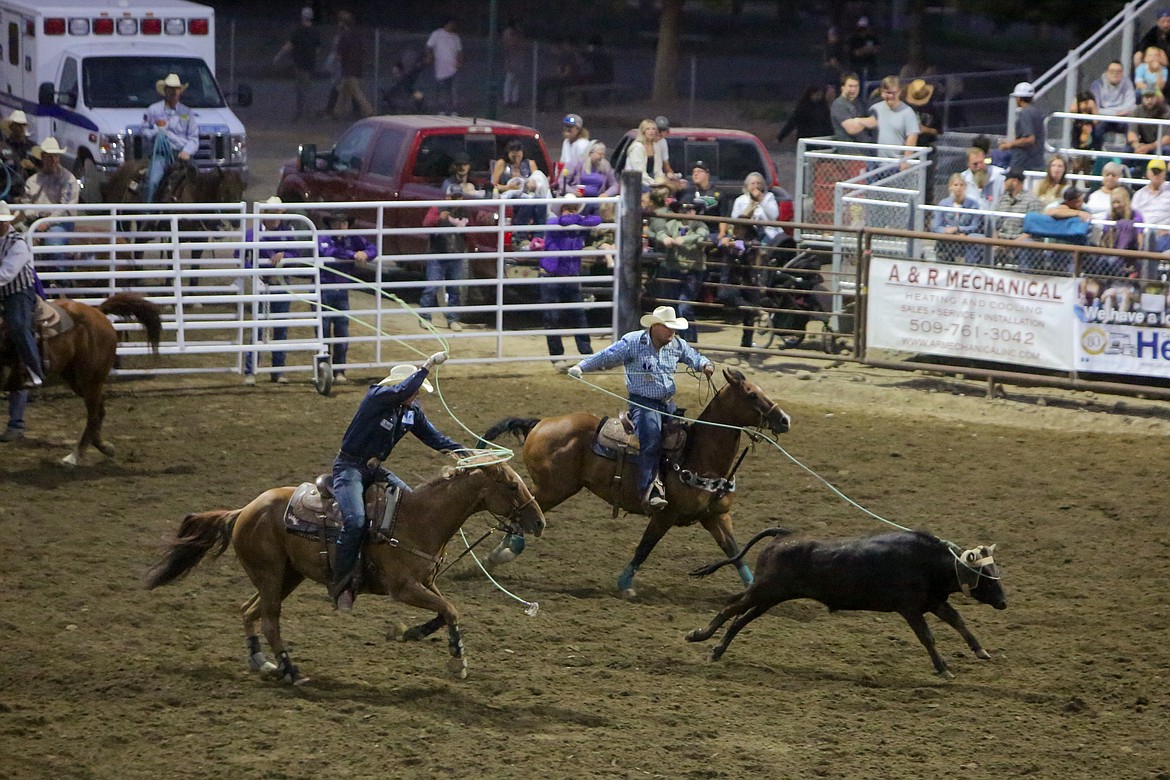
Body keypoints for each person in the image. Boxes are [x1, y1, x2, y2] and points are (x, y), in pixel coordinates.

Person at [328, 352, 465, 612]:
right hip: (349, 468)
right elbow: (405, 388)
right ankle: (341, 582)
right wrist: (427, 366)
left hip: (374, 470)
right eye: (415, 390)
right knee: (355, 520)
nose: (417, 396)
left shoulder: (410, 411)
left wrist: (466, 453)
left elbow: (434, 438)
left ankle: (394, 563)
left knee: (411, 504)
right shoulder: (377, 397)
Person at [567, 305, 714, 511]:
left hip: (666, 404)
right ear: (655, 326)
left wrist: (705, 365)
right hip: (642, 404)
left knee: (685, 438)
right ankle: (649, 490)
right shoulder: (633, 342)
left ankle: (678, 482)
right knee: (651, 438)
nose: (673, 332)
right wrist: (581, 366)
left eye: (674, 328)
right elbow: (607, 356)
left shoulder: (676, 344)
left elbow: (694, 356)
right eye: (668, 327)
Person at [243, 196, 299, 385]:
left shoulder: (287, 232)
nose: (275, 217)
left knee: (280, 328)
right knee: (258, 328)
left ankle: (277, 370)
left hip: (280, 283)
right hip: (262, 283)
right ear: (265, 214)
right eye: (272, 213)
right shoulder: (253, 233)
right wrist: (254, 270)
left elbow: (298, 253)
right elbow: (242, 256)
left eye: (278, 213)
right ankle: (251, 370)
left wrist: (285, 255)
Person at [539, 194, 599, 367]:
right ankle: (557, 357)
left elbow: (596, 219)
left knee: (578, 316)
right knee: (552, 317)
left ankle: (587, 355)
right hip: (551, 276)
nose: (572, 213)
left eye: (574, 208)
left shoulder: (576, 226)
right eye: (568, 208)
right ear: (561, 210)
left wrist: (577, 219)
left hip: (569, 277)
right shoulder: (553, 223)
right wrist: (578, 218)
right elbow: (565, 221)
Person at [318, 210, 376, 382]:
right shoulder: (324, 238)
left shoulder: (352, 239)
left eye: (344, 223)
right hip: (324, 289)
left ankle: (339, 370)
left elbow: (372, 248)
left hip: (340, 290)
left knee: (341, 331)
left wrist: (366, 254)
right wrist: (354, 255)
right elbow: (329, 252)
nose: (341, 226)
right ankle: (326, 370)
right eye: (337, 223)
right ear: (331, 224)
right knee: (324, 332)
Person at [0, 201, 43, 422]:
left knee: (18, 325)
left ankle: (34, 370)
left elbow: (6, 274)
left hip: (19, 292)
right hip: (4, 291)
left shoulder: (17, 244)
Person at [649, 198, 709, 342]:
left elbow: (703, 235)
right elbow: (653, 232)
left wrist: (686, 240)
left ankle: (690, 341)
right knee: (673, 306)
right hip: (674, 269)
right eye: (683, 209)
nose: (687, 212)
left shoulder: (700, 224)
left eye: (690, 209)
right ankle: (678, 340)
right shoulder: (672, 224)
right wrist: (663, 237)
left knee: (684, 305)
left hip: (693, 270)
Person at [18, 137, 79, 276]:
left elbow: (65, 207)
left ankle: (61, 280)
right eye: (49, 156)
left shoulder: (68, 179)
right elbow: (26, 204)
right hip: (35, 221)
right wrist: (35, 222)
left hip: (60, 222)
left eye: (56, 156)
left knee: (54, 243)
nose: (53, 160)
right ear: (42, 158)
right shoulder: (33, 180)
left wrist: (46, 223)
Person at [140, 73, 199, 203]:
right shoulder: (153, 110)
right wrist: (157, 131)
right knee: (153, 182)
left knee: (199, 181)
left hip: (181, 155)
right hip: (161, 156)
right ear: (165, 90)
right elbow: (144, 131)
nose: (173, 91)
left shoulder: (187, 112)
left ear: (180, 91)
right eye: (170, 88)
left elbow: (194, 138)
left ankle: (211, 216)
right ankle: (146, 214)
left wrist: (186, 151)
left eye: (176, 88)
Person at [420, 184, 467, 332]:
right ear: (447, 197)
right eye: (454, 197)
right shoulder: (437, 208)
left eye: (459, 196)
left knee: (455, 289)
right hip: (438, 253)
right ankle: (425, 317)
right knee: (432, 287)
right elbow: (426, 224)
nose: (457, 199)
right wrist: (438, 219)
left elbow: (469, 228)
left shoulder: (464, 210)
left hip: (455, 254)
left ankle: (452, 318)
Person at [272, 6, 321, 121]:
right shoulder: (315, 31)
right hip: (311, 63)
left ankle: (302, 114)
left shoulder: (298, 30)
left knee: (301, 89)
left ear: (302, 17)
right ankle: (308, 113)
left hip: (300, 63)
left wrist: (278, 55)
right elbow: (318, 49)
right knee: (308, 88)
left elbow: (289, 45)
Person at [992, 169, 1044, 266]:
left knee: (1026, 245)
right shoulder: (1002, 200)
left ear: (1014, 181)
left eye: (1006, 179)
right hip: (1000, 242)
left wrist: (1012, 245)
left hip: (1020, 242)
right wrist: (996, 242)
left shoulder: (1032, 201)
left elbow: (1031, 232)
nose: (1004, 182)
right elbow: (995, 226)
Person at [932, 173, 984, 264]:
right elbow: (936, 226)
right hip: (948, 238)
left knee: (975, 238)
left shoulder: (973, 204)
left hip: (965, 237)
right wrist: (946, 231)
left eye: (961, 185)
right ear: (950, 187)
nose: (958, 188)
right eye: (955, 185)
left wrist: (959, 229)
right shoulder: (943, 204)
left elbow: (975, 226)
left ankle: (970, 265)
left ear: (965, 187)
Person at [869, 76, 920, 167]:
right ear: (882, 92)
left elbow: (912, 137)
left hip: (896, 165)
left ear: (900, 91)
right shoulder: (874, 109)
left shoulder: (908, 112)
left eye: (894, 93)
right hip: (875, 164)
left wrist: (906, 161)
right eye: (888, 93)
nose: (891, 96)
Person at [332, 11, 374, 120]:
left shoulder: (344, 36)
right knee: (344, 92)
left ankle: (369, 111)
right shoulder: (357, 35)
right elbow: (364, 51)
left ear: (343, 23)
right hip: (357, 67)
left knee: (356, 92)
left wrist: (334, 64)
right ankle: (336, 113)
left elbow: (339, 54)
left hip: (348, 69)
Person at [999, 82, 1046, 174]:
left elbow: (1030, 139)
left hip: (1024, 162)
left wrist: (1010, 144)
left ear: (1019, 98)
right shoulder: (1036, 112)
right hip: (1037, 161)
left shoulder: (1025, 113)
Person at [730, 171, 783, 246]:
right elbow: (735, 219)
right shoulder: (740, 200)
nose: (756, 186)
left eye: (758, 183)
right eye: (753, 183)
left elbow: (774, 216)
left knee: (765, 247)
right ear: (747, 186)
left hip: (766, 232)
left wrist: (761, 199)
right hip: (745, 233)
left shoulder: (769, 197)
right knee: (738, 244)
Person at [427, 18, 463, 116]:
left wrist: (459, 62)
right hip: (441, 67)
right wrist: (430, 56)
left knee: (453, 90)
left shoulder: (455, 37)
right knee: (442, 90)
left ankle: (453, 110)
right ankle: (442, 109)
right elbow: (430, 46)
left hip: (453, 68)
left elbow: (459, 51)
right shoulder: (437, 34)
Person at [1132, 158, 1170, 249]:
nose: (1156, 175)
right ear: (1148, 173)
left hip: (1164, 235)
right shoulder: (1139, 195)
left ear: (1164, 174)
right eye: (1153, 171)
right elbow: (1133, 216)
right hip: (1142, 234)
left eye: (1159, 172)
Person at [830, 72, 877, 144]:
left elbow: (874, 122)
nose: (853, 89)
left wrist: (857, 120)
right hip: (848, 151)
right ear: (843, 87)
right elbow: (852, 129)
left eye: (856, 86)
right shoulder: (839, 104)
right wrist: (865, 122)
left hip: (865, 150)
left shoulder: (860, 102)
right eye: (850, 86)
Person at [1127, 87, 1170, 158]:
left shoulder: (1167, 111)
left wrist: (1149, 147)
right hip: (1143, 143)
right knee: (1127, 150)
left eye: (1152, 97)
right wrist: (1137, 145)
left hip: (1160, 145)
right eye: (1146, 97)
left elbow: (1168, 138)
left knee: (1167, 150)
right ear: (1142, 98)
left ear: (1157, 97)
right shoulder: (1137, 110)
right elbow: (1131, 133)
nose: (1149, 100)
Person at [558, 114, 591, 193]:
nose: (567, 129)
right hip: (567, 177)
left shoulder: (583, 144)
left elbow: (581, 168)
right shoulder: (566, 142)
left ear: (578, 129)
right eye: (566, 126)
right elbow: (563, 162)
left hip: (579, 180)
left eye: (570, 127)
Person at [501, 19, 527, 108]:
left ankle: (514, 100)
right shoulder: (509, 33)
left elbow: (523, 45)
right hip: (511, 59)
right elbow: (509, 45)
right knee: (509, 79)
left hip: (518, 59)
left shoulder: (518, 34)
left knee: (516, 81)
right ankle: (507, 100)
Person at [847, 16, 880, 83]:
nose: (863, 30)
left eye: (865, 28)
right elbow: (856, 52)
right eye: (862, 28)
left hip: (870, 65)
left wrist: (868, 50)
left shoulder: (872, 37)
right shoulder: (854, 38)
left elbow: (877, 49)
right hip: (857, 66)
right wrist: (865, 49)